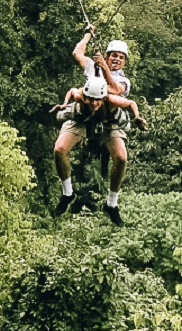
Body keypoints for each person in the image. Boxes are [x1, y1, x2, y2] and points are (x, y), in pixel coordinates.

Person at [51, 76, 148, 225]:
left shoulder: (111, 101)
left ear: (103, 98)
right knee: (60, 149)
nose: (94, 103)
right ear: (85, 97)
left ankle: (111, 204)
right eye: (90, 99)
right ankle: (67, 193)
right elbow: (72, 91)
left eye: (98, 100)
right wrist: (64, 104)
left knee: (121, 158)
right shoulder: (80, 96)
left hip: (109, 124)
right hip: (81, 121)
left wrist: (137, 118)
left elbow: (130, 103)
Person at [72, 28, 131, 97]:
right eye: (114, 56)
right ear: (107, 57)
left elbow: (115, 90)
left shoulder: (124, 81)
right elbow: (77, 53)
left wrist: (104, 66)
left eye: (121, 58)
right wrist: (88, 34)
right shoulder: (94, 67)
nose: (117, 59)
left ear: (124, 62)